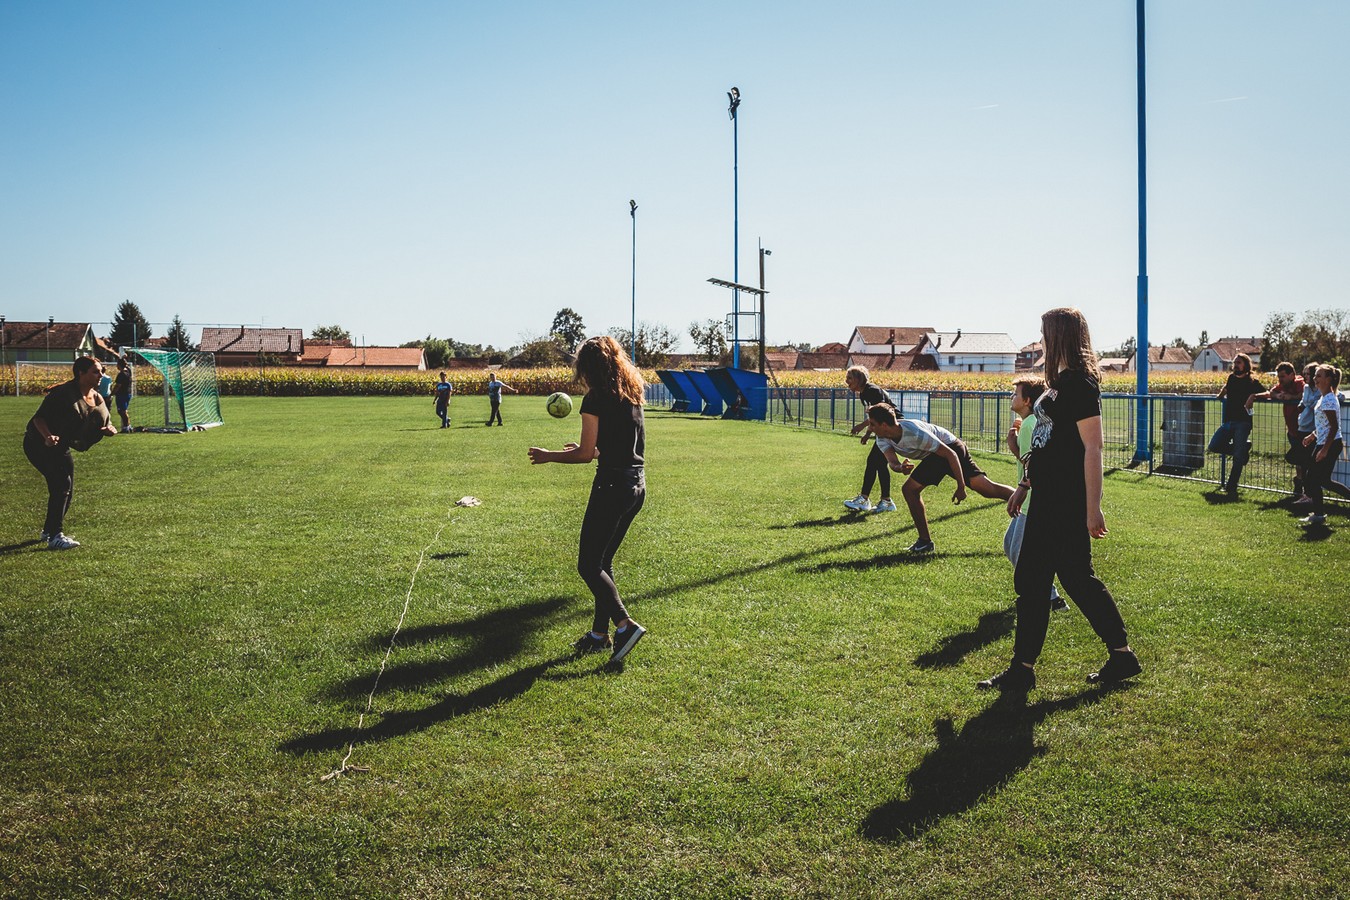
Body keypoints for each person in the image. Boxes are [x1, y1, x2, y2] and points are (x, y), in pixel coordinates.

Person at [979, 307, 1139, 692]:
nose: (1041, 338)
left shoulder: (1080, 386)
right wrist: (1025, 483)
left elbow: (1093, 449)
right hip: (1045, 498)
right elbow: (1045, 445)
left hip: (1064, 503)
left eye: (1045, 332)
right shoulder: (1058, 384)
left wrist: (1092, 507)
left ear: (1061, 335)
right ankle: (1115, 657)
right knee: (1053, 579)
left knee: (1061, 579)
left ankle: (1030, 669)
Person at [528, 336, 648, 664]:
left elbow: (584, 456)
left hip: (611, 487)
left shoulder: (595, 399)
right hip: (636, 485)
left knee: (587, 565)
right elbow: (609, 447)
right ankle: (599, 635)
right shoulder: (631, 393)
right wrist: (592, 450)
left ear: (587, 366)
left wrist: (548, 456)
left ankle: (624, 625)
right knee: (603, 562)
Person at [865, 404, 1014, 553]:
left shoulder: (915, 433)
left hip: (951, 448)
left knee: (984, 489)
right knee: (985, 488)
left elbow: (950, 454)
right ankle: (924, 542)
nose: (870, 428)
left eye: (872, 424)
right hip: (936, 454)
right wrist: (900, 468)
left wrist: (961, 487)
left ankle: (1025, 502)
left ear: (884, 425)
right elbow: (892, 462)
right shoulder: (882, 438)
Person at [24, 357, 118, 550]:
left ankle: (49, 531)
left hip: (61, 446)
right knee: (61, 484)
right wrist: (48, 436)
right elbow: (38, 419)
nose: (101, 375)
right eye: (96, 371)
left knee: (67, 490)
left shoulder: (96, 397)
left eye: (101, 371)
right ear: (81, 373)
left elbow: (103, 422)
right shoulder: (62, 393)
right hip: (38, 443)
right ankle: (56, 536)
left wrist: (109, 429)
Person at [1004, 376, 1067, 613]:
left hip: (1031, 500)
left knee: (1019, 550)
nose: (1012, 397)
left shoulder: (1030, 423)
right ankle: (1045, 592)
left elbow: (1033, 463)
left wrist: (1013, 448)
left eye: (1015, 394)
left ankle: (1050, 597)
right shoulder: (1028, 423)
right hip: (1028, 497)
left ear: (1027, 400)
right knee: (1010, 545)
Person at [1292, 365, 1346, 527]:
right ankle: (1318, 514)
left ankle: (1319, 515)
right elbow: (1324, 424)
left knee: (1312, 479)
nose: (1315, 379)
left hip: (1330, 444)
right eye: (1315, 376)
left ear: (1329, 379)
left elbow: (1334, 427)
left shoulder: (1329, 399)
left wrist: (1324, 449)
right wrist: (1312, 436)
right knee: (1323, 481)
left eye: (1319, 376)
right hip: (1324, 442)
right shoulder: (1324, 398)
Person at [842, 365, 897, 513]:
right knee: (877, 463)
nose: (847, 381)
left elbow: (880, 413)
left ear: (859, 379)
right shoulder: (864, 394)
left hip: (892, 429)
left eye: (850, 378)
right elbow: (874, 418)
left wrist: (861, 427)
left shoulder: (872, 391)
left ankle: (869, 500)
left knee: (875, 462)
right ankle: (883, 501)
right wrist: (867, 434)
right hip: (884, 430)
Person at [1248, 362, 1307, 498]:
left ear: (1292, 375)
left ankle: (1303, 487)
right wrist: (1276, 396)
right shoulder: (1283, 386)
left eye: (1283, 376)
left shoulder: (1299, 382)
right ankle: (1300, 485)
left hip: (1304, 430)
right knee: (1299, 461)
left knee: (1303, 461)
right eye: (1279, 377)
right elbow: (1272, 392)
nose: (1280, 380)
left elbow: (1306, 394)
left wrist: (1291, 397)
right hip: (1292, 430)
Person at [1208, 353, 1262, 495]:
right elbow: (1226, 388)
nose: (1235, 365)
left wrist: (1253, 396)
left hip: (1243, 422)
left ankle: (1231, 486)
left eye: (1238, 362)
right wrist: (1220, 395)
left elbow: (1267, 392)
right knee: (1214, 445)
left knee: (1237, 458)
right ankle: (1243, 449)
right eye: (1234, 363)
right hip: (1229, 421)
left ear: (1245, 365)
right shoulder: (1231, 378)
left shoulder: (1252, 381)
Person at [112, 357, 133, 433]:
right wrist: (123, 357)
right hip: (128, 393)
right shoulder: (128, 371)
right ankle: (128, 426)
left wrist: (112, 393)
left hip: (122, 394)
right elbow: (126, 366)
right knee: (124, 411)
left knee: (122, 411)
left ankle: (126, 427)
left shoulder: (121, 374)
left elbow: (118, 385)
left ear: (119, 365)